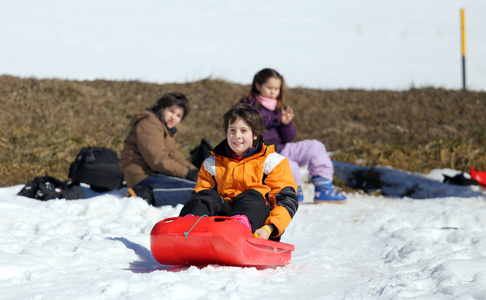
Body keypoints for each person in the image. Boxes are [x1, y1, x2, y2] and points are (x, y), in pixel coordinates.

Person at [179, 103, 298, 240]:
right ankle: (188, 226)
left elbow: (286, 201)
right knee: (207, 196)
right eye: (232, 130)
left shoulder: (273, 162)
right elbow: (199, 195)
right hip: (222, 223)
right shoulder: (212, 164)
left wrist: (269, 228)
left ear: (255, 134)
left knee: (253, 195)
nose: (237, 136)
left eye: (243, 131)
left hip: (258, 223)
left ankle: (239, 227)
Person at [241, 68, 346, 203]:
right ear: (258, 85)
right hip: (263, 153)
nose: (273, 92)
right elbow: (249, 132)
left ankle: (323, 189)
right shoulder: (247, 106)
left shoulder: (278, 107)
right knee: (290, 166)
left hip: (283, 148)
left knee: (316, 146)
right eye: (269, 87)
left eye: (277, 88)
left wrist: (286, 123)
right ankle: (292, 193)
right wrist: (272, 120)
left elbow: (289, 138)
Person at [119, 92, 199, 206]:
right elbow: (157, 160)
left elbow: (176, 156)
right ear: (161, 108)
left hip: (154, 174)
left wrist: (198, 174)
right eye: (171, 111)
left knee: (201, 186)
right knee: (200, 191)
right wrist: (187, 173)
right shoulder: (149, 125)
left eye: (178, 116)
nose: (173, 117)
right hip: (142, 176)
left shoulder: (165, 129)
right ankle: (146, 194)